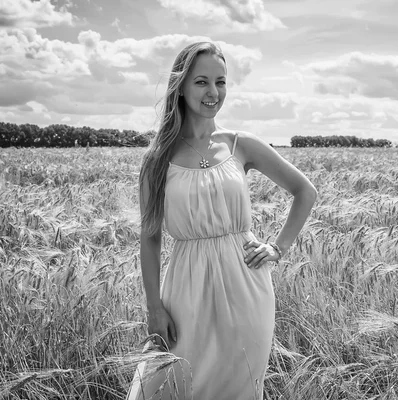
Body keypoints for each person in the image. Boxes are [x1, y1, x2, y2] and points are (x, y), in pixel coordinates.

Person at [134, 41, 317, 399]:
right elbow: (150, 237)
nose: (213, 92)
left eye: (221, 82)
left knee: (240, 386)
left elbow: (304, 192)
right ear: (181, 85)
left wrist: (277, 248)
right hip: (185, 290)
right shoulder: (157, 158)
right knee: (170, 386)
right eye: (202, 82)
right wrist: (155, 308)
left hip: (247, 288)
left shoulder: (240, 144)